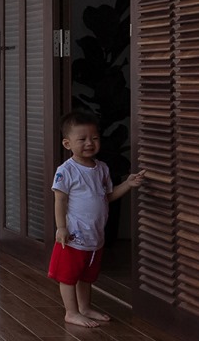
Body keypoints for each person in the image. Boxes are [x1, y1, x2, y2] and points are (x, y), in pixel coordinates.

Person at [49, 111, 157, 328]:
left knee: (87, 276)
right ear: (67, 143)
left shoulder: (102, 168)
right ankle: (71, 312)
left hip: (95, 235)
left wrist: (128, 184)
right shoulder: (66, 170)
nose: (89, 143)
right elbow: (59, 200)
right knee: (68, 276)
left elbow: (107, 196)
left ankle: (85, 307)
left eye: (95, 138)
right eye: (82, 139)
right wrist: (61, 227)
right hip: (73, 236)